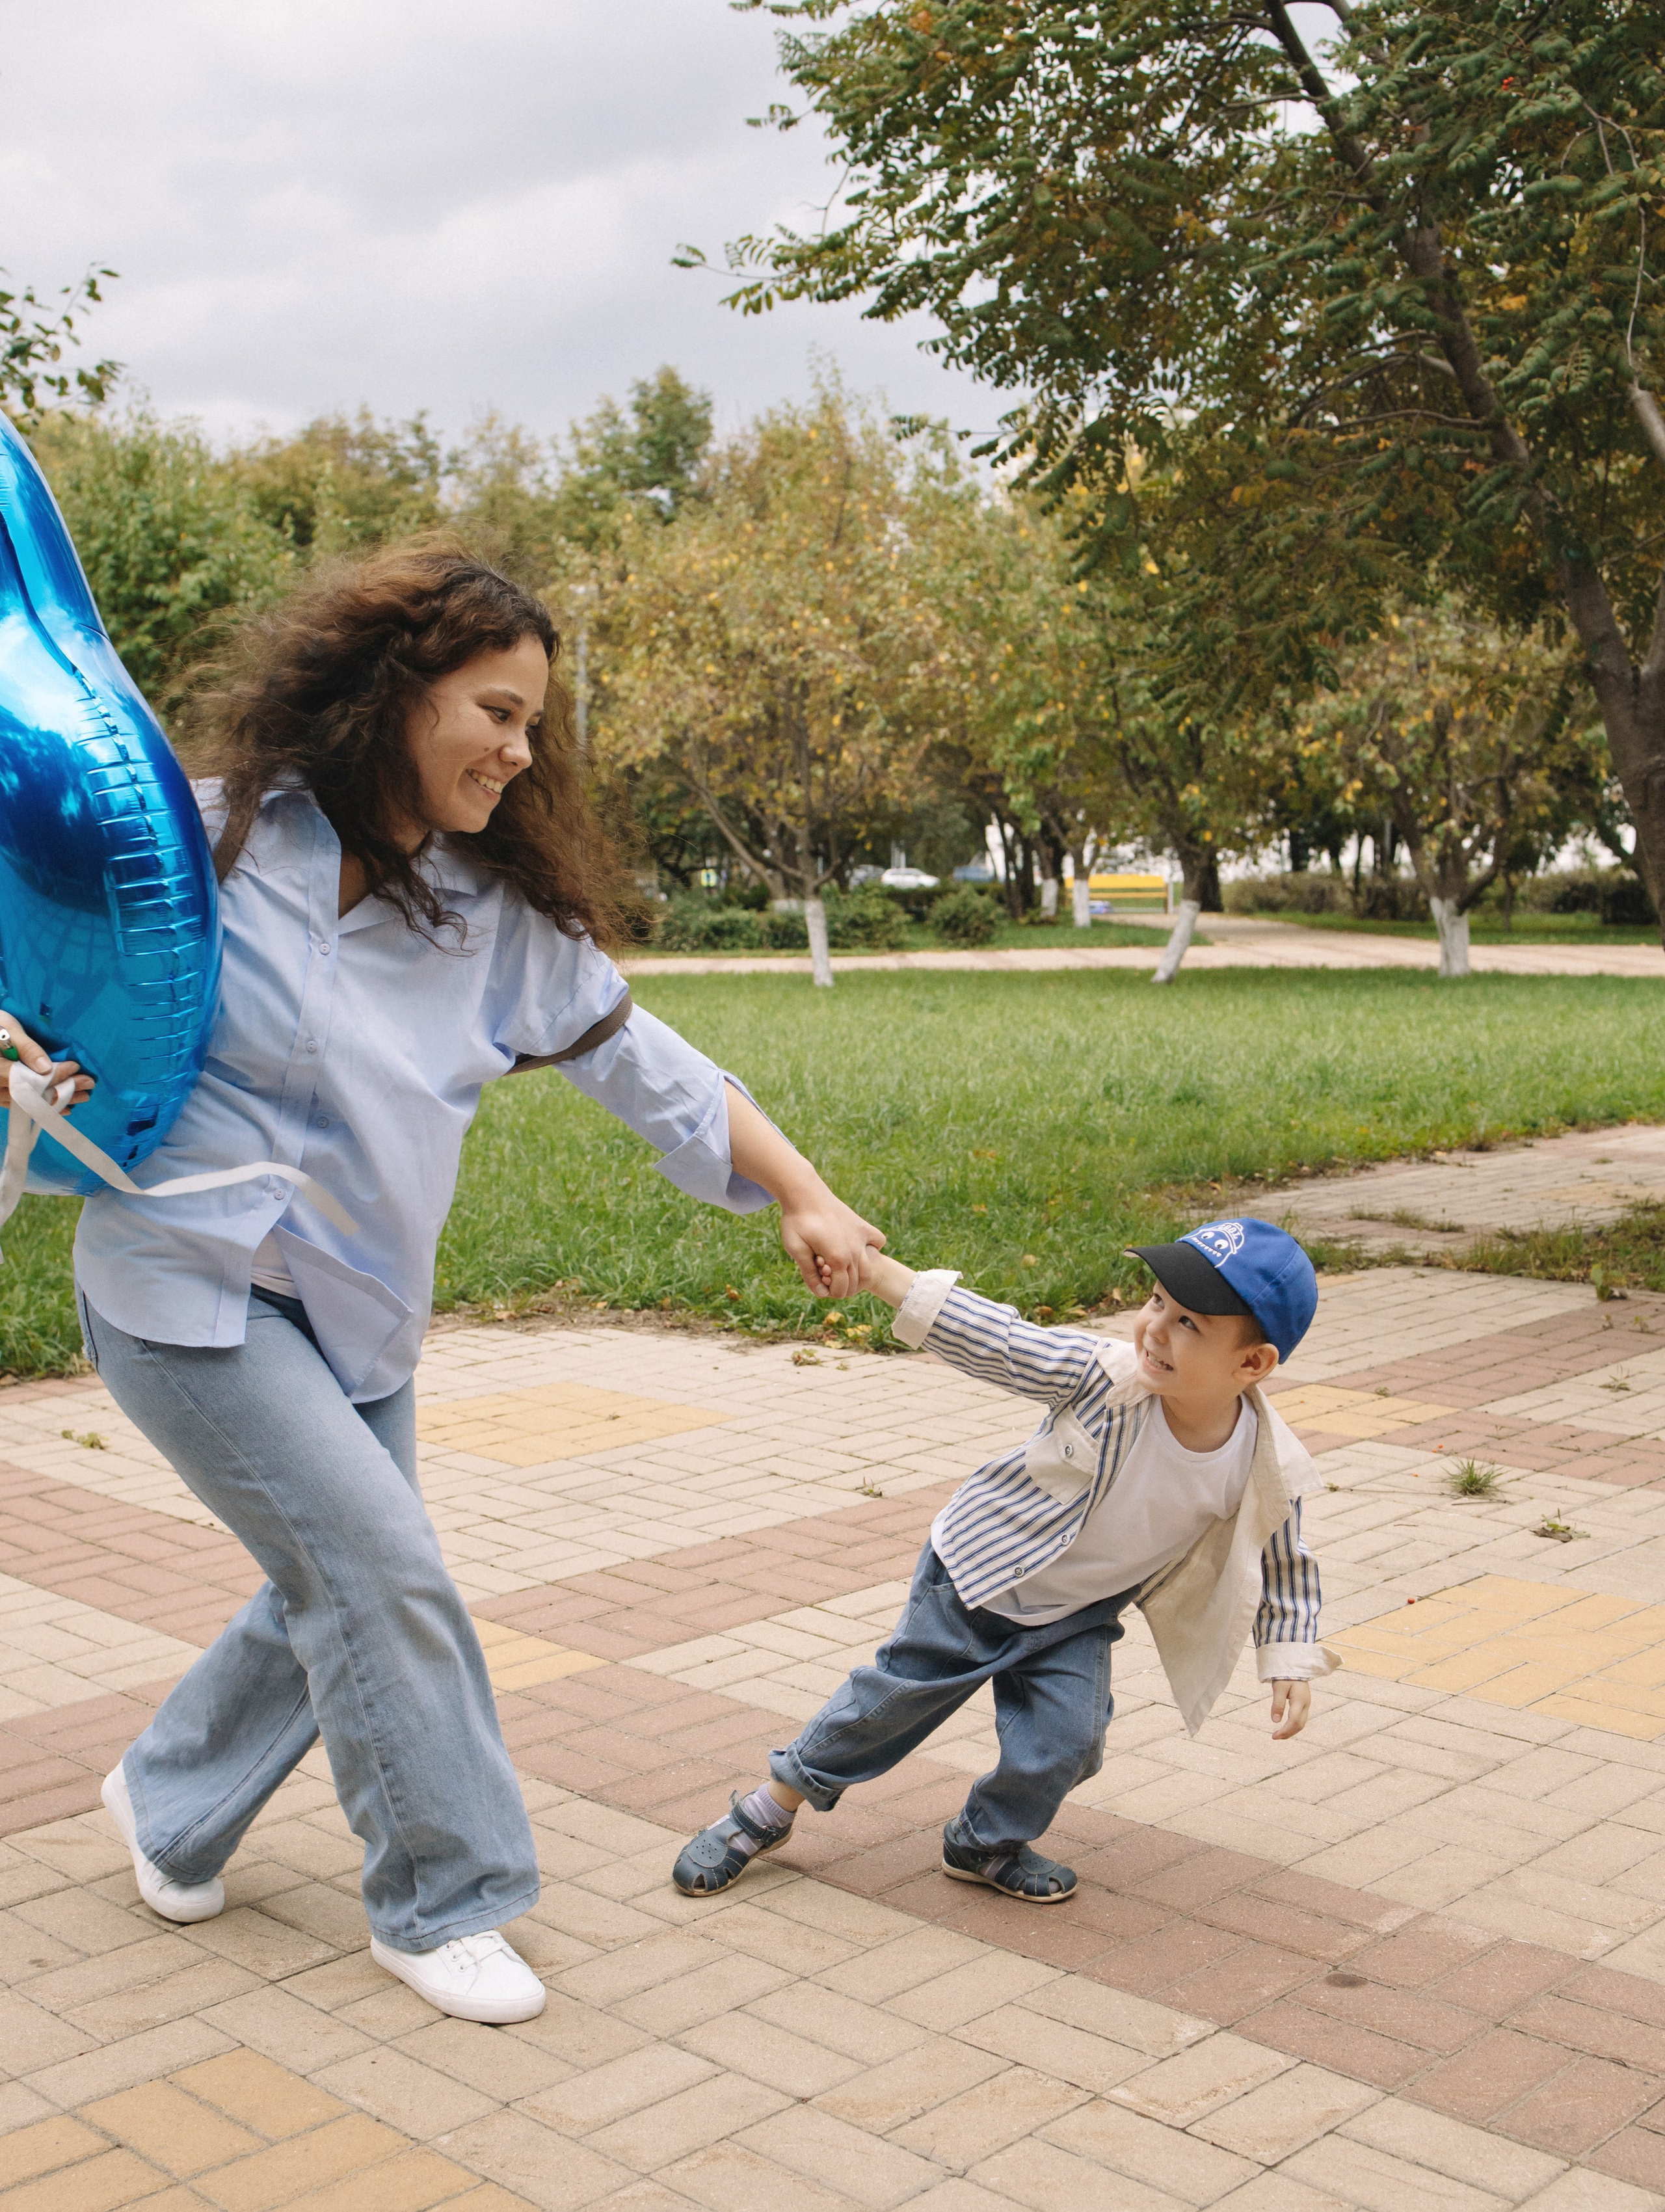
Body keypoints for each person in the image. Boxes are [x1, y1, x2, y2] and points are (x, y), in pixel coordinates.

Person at [0, 544, 879, 2026]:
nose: (520, 750)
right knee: (380, 1570)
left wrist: (801, 1189)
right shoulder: (196, 843)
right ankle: (443, 1894)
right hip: (180, 1290)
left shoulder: (494, 920)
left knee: (335, 1576)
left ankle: (167, 1799)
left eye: (534, 722)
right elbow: (42, 987)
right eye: (495, 708)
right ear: (396, 695)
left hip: (355, 1313)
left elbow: (643, 1064)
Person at [672, 1217, 1336, 1904]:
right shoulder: (1103, 1379)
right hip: (977, 1575)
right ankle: (767, 1808)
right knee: (888, 1706)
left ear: (1252, 1363)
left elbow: (1283, 1558)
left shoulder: (1266, 1463)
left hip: (1074, 1611)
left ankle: (984, 1838)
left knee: (1071, 1739)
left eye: (1189, 1321)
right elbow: (1001, 1340)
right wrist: (877, 1273)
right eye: (1157, 1299)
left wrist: (1289, 1656)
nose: (1155, 1327)